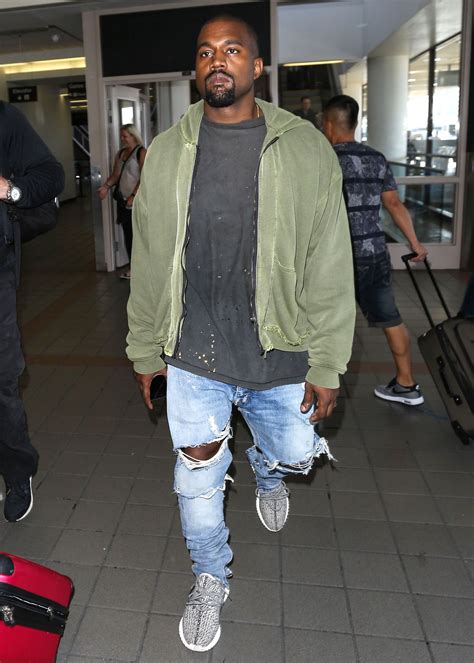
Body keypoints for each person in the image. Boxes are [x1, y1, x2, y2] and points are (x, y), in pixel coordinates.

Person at [127, 15, 355, 653]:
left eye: (232, 50)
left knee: (298, 450)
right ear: (196, 69)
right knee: (197, 478)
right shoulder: (168, 151)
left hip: (280, 347)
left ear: (257, 67)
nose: (217, 61)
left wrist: (327, 363)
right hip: (193, 351)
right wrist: (144, 351)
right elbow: (149, 258)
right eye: (205, 52)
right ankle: (210, 576)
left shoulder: (304, 148)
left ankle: (267, 465)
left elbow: (330, 262)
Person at [322, 94, 428, 405]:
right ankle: (407, 384)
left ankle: (317, 387)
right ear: (354, 124)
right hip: (373, 253)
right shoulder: (376, 158)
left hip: (334, 256)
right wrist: (415, 243)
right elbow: (393, 204)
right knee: (390, 318)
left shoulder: (323, 158)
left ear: (328, 124)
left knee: (322, 321)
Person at [0, 101, 64, 522]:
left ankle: (17, 472)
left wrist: (9, 189)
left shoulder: (4, 119)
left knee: (2, 382)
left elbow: (51, 175)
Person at [97, 124, 146, 279]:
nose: (123, 139)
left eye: (125, 136)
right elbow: (116, 175)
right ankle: (134, 268)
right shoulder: (121, 154)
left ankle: (141, 269)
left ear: (133, 136)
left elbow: (145, 177)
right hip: (123, 202)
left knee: (138, 236)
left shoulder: (141, 152)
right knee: (128, 235)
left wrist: (133, 196)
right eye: (122, 136)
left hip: (136, 202)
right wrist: (106, 187)